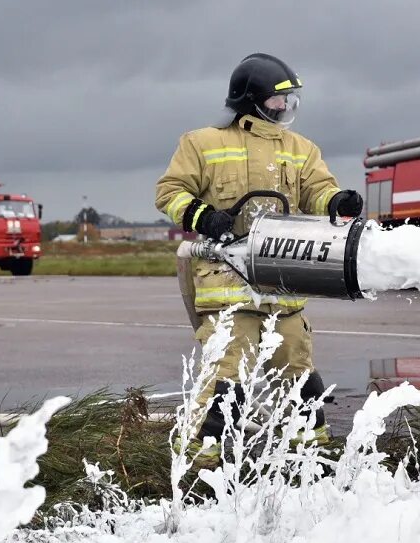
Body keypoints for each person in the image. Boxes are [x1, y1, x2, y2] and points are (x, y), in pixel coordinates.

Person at [155, 53, 363, 461]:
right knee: (223, 390)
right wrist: (204, 216)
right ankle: (195, 468)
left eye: (289, 100)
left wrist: (336, 200)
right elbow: (170, 192)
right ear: (251, 100)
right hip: (228, 291)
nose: (286, 108)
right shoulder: (202, 143)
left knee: (302, 385)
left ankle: (311, 464)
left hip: (282, 288)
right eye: (278, 101)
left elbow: (317, 192)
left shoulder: (302, 150)